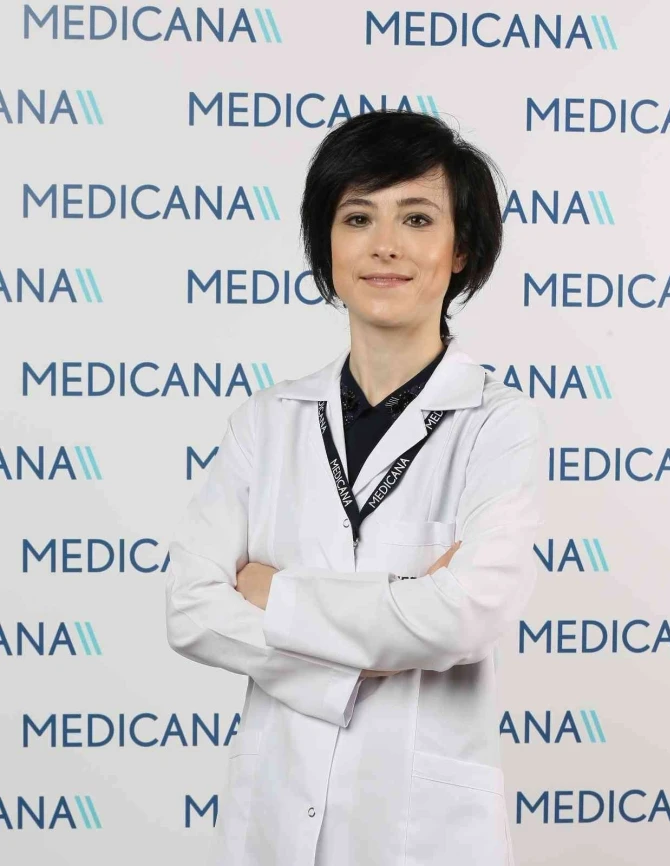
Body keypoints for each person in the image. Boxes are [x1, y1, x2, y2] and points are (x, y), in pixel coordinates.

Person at [165, 108, 545, 866]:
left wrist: (277, 594)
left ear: (461, 250)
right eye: (357, 217)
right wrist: (384, 631)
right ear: (327, 245)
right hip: (275, 817)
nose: (385, 245)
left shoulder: (497, 424)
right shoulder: (266, 421)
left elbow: (463, 617)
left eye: (417, 218)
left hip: (424, 832)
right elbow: (191, 609)